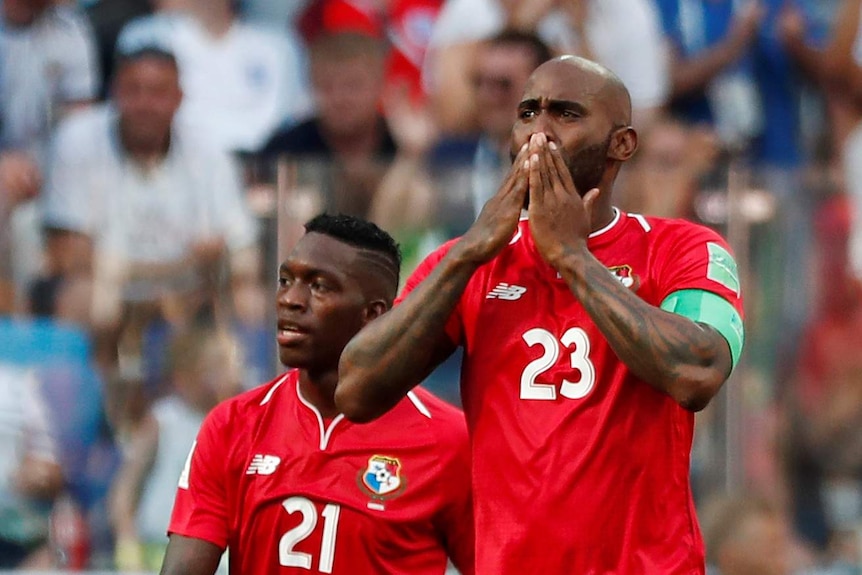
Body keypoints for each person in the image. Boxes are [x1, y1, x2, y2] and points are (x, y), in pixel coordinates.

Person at [336, 55, 745, 573]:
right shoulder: (473, 260)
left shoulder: (682, 249)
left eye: (566, 114)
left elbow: (699, 371)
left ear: (623, 144)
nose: (539, 132)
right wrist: (467, 253)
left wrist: (571, 258)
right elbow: (355, 390)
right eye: (528, 113)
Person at [160, 213, 474, 575]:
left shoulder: (449, 442)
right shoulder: (232, 425)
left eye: (319, 286)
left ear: (372, 315)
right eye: (284, 280)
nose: (290, 299)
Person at [110, 325, 243, 572]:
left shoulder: (239, 426)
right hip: (156, 549)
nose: (229, 374)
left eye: (231, 364)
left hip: (217, 555)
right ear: (186, 373)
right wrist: (127, 544)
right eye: (216, 366)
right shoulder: (165, 419)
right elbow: (127, 488)